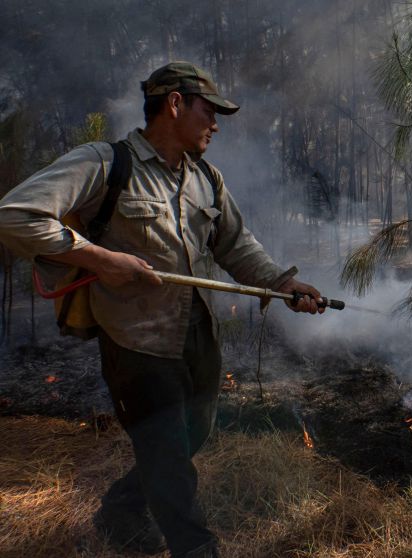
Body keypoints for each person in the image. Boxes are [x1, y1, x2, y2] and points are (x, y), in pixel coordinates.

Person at [0, 61, 323, 558]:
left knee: (190, 436)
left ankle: (120, 510)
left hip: (198, 336)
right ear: (174, 104)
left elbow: (236, 245)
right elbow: (16, 216)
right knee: (169, 458)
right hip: (136, 345)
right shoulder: (106, 164)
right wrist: (101, 258)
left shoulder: (206, 179)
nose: (215, 124)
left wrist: (283, 282)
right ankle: (196, 548)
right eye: (208, 111)